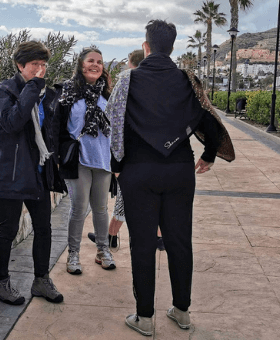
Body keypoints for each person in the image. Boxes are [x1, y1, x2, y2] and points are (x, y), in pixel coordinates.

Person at [106, 19, 235, 336]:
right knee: (179, 241)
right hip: (179, 169)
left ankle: (145, 318)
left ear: (146, 45)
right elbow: (210, 117)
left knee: (143, 243)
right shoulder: (188, 79)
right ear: (173, 47)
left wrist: (117, 164)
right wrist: (208, 155)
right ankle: (182, 311)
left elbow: (115, 121)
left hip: (138, 170)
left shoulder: (128, 80)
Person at [0, 41, 66, 305]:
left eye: (44, 65)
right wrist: (32, 88)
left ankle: (41, 281)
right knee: (8, 230)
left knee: (44, 228)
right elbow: (11, 123)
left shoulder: (44, 94)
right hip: (10, 173)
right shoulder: (6, 90)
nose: (40, 70)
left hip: (37, 172)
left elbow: (48, 132)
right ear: (21, 66)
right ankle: (1, 284)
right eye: (35, 65)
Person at [88, 48, 167, 251]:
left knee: (124, 199)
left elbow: (112, 118)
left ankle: (111, 237)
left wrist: (116, 158)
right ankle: (159, 238)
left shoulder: (127, 82)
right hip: (157, 156)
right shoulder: (158, 87)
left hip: (132, 156)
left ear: (131, 64)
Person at [58, 47, 116, 275]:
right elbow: (59, 127)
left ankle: (103, 251)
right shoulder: (68, 92)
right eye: (91, 61)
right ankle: (73, 254)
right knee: (79, 208)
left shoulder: (107, 94)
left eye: (99, 62)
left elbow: (116, 128)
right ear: (81, 65)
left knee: (101, 209)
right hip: (79, 159)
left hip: (103, 159)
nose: (95, 65)